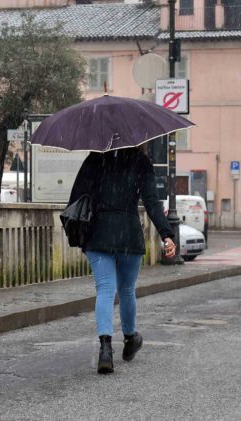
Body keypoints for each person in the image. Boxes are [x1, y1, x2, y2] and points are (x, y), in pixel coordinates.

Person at [68, 147, 176, 374]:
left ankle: (105, 349)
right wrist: (166, 234)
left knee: (105, 289)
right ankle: (129, 338)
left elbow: (77, 197)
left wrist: (78, 231)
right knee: (126, 290)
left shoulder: (95, 158)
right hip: (129, 235)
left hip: (98, 234)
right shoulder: (140, 161)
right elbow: (151, 201)